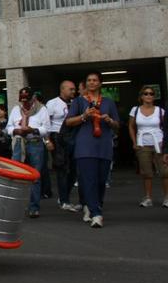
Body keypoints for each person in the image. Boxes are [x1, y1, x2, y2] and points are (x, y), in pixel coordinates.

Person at [63, 71, 120, 228]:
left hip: (103, 145)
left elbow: (117, 124)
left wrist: (109, 120)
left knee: (101, 180)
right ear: (86, 84)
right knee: (88, 180)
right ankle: (96, 214)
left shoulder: (108, 102)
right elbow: (68, 122)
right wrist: (83, 116)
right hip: (85, 145)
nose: (92, 82)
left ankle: (93, 206)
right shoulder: (79, 102)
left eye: (95, 80)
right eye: (89, 80)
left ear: (100, 83)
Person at [7, 87, 49, 218]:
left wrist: (33, 130)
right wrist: (16, 131)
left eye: (27, 100)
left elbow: (47, 129)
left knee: (35, 177)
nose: (24, 103)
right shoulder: (16, 110)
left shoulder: (41, 109)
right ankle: (15, 207)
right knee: (16, 176)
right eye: (22, 100)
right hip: (20, 143)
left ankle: (34, 207)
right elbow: (8, 127)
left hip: (35, 143)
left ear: (33, 98)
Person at [45, 80, 82, 212]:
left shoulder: (76, 102)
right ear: (63, 89)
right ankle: (64, 201)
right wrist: (47, 140)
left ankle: (63, 196)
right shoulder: (52, 103)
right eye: (71, 89)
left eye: (74, 89)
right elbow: (46, 122)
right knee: (62, 169)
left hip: (72, 137)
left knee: (73, 170)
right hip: (57, 136)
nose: (74, 91)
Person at [128, 85, 166, 208]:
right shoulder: (136, 110)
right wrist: (134, 142)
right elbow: (131, 126)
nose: (148, 96)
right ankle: (148, 197)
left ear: (154, 97)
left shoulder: (161, 111)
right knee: (146, 173)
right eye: (146, 93)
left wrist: (165, 144)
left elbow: (165, 128)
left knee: (165, 172)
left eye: (151, 94)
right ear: (141, 96)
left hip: (159, 143)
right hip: (142, 144)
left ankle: (166, 197)